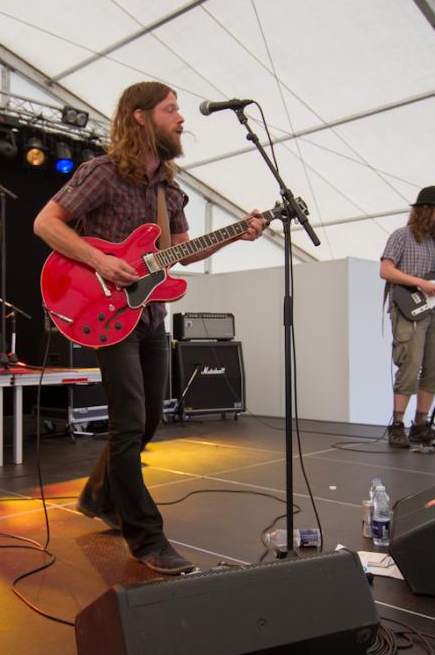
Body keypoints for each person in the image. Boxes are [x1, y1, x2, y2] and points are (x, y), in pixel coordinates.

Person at [34, 81, 266, 574]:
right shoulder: (102, 174)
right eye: (171, 108)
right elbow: (46, 224)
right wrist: (101, 259)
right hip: (107, 312)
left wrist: (234, 235)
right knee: (129, 423)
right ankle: (147, 539)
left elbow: (183, 249)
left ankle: (100, 496)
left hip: (150, 314)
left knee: (150, 419)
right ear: (139, 116)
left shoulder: (170, 189)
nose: (181, 118)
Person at [380, 186, 435, 448]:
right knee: (410, 363)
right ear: (426, 209)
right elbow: (386, 270)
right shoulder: (401, 236)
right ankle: (397, 424)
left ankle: (420, 425)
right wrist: (419, 282)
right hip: (408, 307)